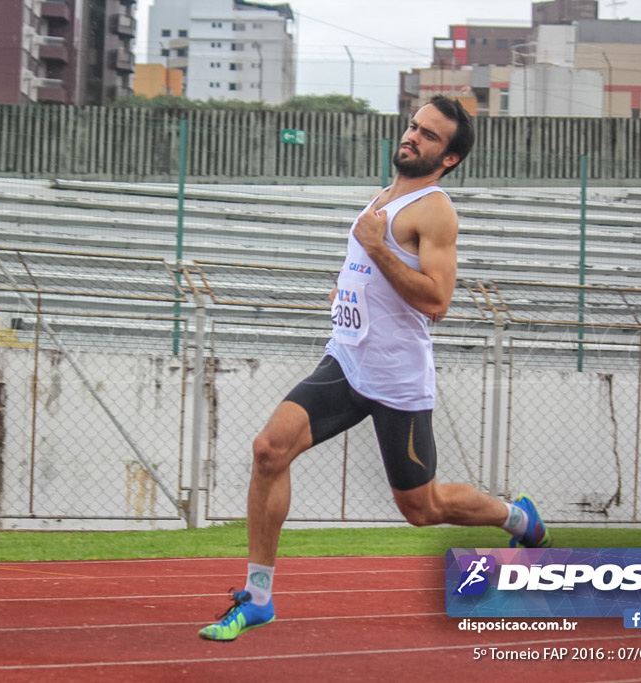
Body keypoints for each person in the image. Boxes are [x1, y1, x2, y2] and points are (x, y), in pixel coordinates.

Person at [198, 95, 551, 642]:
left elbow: (436, 300)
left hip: (396, 379)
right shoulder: (383, 197)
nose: (412, 137)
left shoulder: (435, 210)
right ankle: (259, 596)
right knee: (269, 449)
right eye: (413, 126)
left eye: (429, 136)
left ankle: (516, 517)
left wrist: (376, 249)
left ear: (449, 158)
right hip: (346, 358)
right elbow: (367, 270)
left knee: (421, 507)